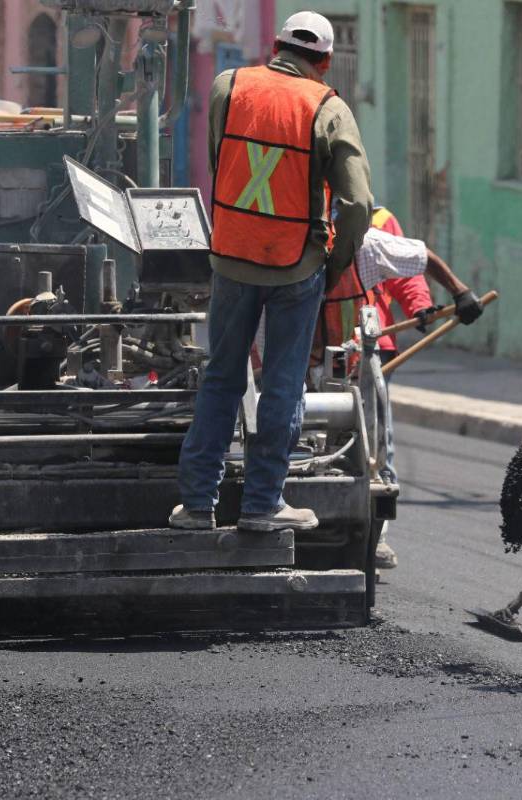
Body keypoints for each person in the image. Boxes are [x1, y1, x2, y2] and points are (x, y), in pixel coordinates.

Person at [170, 11, 372, 533]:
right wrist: (334, 266)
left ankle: (197, 506)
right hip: (294, 267)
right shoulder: (328, 107)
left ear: (276, 45)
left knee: (221, 376)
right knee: (283, 385)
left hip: (232, 258)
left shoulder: (227, 86)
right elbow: (356, 204)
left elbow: (221, 160)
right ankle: (262, 505)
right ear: (325, 62)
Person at [307, 207, 484, 568]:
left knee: (375, 442)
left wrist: (420, 305)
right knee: (312, 440)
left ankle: (377, 535)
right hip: (312, 354)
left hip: (370, 347)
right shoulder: (304, 230)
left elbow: (409, 271)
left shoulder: (375, 226)